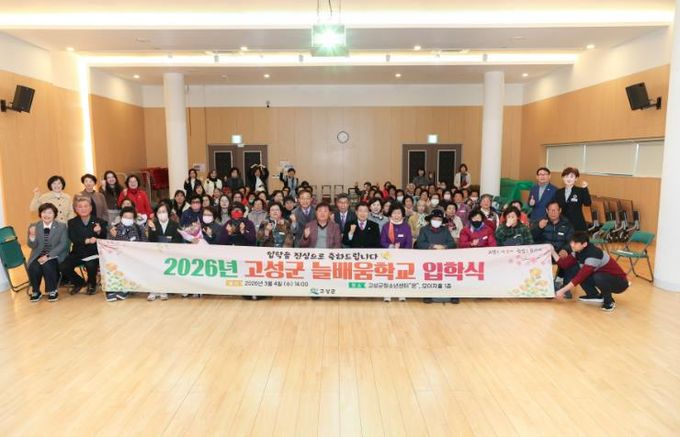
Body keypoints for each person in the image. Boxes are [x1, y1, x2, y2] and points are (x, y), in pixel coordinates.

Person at [553, 232, 629, 312]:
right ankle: (593, 295)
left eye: (575, 243)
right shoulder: (578, 251)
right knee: (575, 268)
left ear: (584, 244)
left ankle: (609, 302)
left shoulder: (593, 254)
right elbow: (564, 264)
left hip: (620, 283)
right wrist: (552, 251)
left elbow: (580, 277)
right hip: (603, 277)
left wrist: (562, 290)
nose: (572, 245)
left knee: (598, 276)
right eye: (571, 242)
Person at [60, 196, 108, 296]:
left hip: (94, 253)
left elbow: (104, 237)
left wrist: (99, 232)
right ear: (76, 209)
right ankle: (79, 282)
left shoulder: (99, 221)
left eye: (86, 206)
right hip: (78, 252)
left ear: (90, 208)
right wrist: (87, 240)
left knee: (90, 264)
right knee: (63, 266)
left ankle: (92, 284)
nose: (83, 209)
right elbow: (73, 238)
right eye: (80, 207)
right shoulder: (72, 222)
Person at [415, 209, 459, 305]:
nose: (437, 221)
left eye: (439, 220)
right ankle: (427, 295)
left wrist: (444, 247)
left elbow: (452, 243)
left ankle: (453, 295)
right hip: (428, 259)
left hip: (444, 258)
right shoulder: (424, 229)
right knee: (428, 276)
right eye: (435, 219)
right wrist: (433, 246)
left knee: (451, 274)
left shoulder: (445, 230)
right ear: (430, 219)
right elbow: (419, 243)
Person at [26, 203, 69, 303]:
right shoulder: (34, 226)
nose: (46, 215)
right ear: (40, 214)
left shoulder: (61, 226)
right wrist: (32, 236)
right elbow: (32, 246)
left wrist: (48, 256)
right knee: (33, 267)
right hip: (38, 254)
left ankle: (52, 290)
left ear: (54, 214)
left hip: (54, 254)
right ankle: (36, 291)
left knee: (47, 265)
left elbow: (63, 244)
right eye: (44, 212)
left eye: (50, 213)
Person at [107, 206, 147, 302]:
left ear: (134, 219)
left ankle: (125, 289)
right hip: (118, 257)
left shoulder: (139, 228)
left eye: (130, 217)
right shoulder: (114, 229)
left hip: (135, 257)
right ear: (121, 217)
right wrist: (115, 236)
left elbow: (144, 244)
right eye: (125, 217)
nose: (127, 219)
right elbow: (109, 246)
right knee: (112, 265)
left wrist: (118, 236)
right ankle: (113, 289)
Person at [147, 203, 182, 301]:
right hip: (156, 253)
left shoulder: (175, 224)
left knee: (166, 268)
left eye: (164, 211)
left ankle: (164, 290)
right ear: (156, 214)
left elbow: (178, 239)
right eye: (159, 212)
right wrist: (153, 229)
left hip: (170, 253)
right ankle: (153, 290)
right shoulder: (153, 224)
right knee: (154, 267)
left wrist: (168, 247)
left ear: (168, 212)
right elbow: (151, 240)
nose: (162, 214)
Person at [380, 203, 412, 302]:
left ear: (402, 215)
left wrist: (402, 252)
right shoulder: (386, 226)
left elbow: (409, 243)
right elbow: (382, 242)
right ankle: (387, 293)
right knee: (388, 274)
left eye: (399, 213)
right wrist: (391, 247)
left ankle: (401, 293)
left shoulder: (406, 226)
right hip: (388, 254)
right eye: (394, 213)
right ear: (390, 214)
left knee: (401, 273)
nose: (396, 215)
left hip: (403, 255)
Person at [555, 167, 591, 231]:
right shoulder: (559, 192)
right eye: (566, 176)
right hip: (562, 223)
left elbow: (587, 203)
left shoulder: (580, 191)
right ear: (563, 178)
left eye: (571, 177)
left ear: (576, 178)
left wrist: (585, 189)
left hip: (577, 224)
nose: (569, 179)